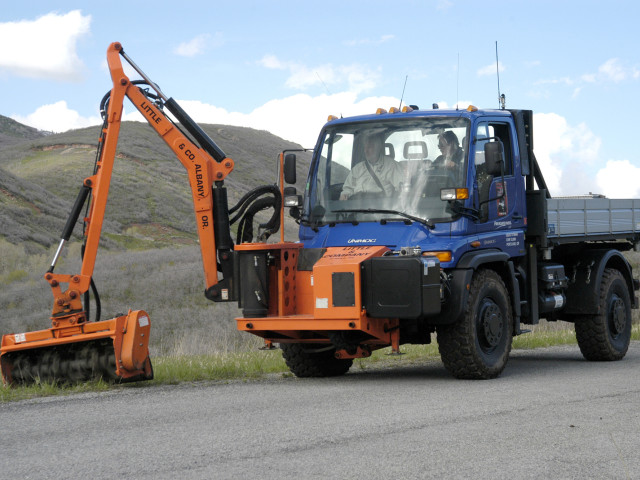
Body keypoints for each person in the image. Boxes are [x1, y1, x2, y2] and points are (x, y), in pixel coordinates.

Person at [339, 133, 403, 200]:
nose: (366, 151)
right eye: (365, 147)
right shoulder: (357, 168)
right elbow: (348, 189)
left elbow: (402, 188)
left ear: (378, 148)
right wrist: (344, 195)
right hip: (356, 206)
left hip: (381, 207)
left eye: (369, 147)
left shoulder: (391, 165)